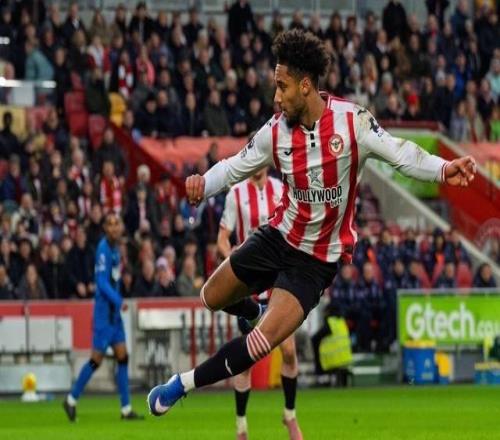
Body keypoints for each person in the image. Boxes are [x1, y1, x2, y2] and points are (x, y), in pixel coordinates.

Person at [147, 29, 476, 423]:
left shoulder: (352, 122)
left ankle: (181, 384)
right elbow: (235, 166)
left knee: (260, 343)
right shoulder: (275, 132)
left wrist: (443, 168)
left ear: (305, 86)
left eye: (282, 86)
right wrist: (203, 183)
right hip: (277, 237)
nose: (276, 97)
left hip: (316, 261)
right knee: (210, 296)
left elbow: (401, 153)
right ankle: (256, 309)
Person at [218, 167, 301, 439]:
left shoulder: (281, 188)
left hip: (279, 282)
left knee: (289, 351)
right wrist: (232, 260)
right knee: (246, 359)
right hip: (251, 285)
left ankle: (290, 415)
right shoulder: (236, 194)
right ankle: (241, 426)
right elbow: (222, 238)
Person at [63, 213, 142, 421]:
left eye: (117, 223)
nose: (115, 228)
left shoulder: (115, 249)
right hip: (104, 314)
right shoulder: (103, 250)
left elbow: (113, 278)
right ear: (105, 228)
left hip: (114, 315)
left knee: (123, 357)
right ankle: (71, 399)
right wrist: (118, 300)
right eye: (110, 224)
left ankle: (126, 409)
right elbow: (101, 282)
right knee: (95, 360)